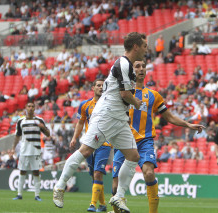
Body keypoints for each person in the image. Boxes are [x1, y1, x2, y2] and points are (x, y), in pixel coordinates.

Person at [52, 32, 147, 213]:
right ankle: (59, 186)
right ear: (135, 46)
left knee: (133, 156)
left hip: (119, 118)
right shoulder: (123, 63)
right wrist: (139, 105)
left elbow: (125, 95)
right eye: (143, 46)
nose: (145, 49)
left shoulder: (128, 67)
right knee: (86, 151)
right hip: (106, 115)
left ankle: (119, 197)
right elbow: (125, 94)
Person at [111, 60, 205, 213]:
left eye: (143, 67)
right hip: (124, 141)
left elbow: (169, 117)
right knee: (116, 186)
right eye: (137, 67)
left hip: (145, 141)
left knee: (148, 173)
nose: (141, 69)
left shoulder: (153, 95)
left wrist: (188, 125)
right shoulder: (124, 93)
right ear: (131, 71)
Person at [69, 79, 111, 212]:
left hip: (104, 143)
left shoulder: (110, 104)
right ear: (93, 88)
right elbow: (80, 122)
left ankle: (92, 204)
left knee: (98, 173)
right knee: (94, 174)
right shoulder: (85, 104)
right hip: (89, 143)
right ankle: (103, 204)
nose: (100, 87)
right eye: (98, 85)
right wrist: (75, 138)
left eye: (102, 86)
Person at [12, 101, 50, 201]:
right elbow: (17, 136)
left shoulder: (39, 120)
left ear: (34, 108)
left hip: (36, 150)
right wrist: (13, 148)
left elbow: (48, 134)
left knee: (36, 172)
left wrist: (43, 128)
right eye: (29, 106)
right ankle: (19, 194)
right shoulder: (21, 121)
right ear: (26, 108)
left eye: (32, 106)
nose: (30, 108)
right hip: (24, 150)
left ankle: (37, 195)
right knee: (22, 171)